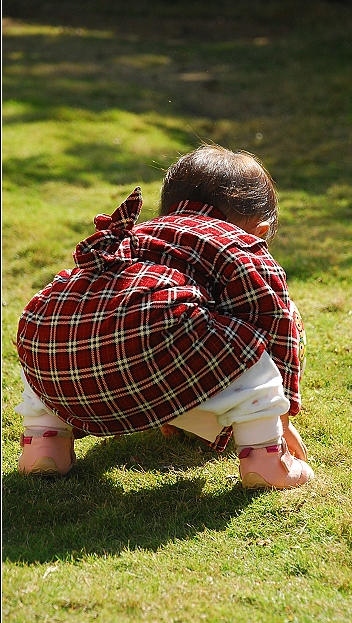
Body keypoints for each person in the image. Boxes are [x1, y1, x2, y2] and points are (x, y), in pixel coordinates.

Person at [15, 145, 314, 489]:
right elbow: (275, 318)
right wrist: (282, 410)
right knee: (254, 342)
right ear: (260, 230)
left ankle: (43, 442)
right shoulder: (238, 245)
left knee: (58, 325)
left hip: (53, 355)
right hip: (152, 347)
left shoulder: (139, 234)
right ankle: (266, 458)